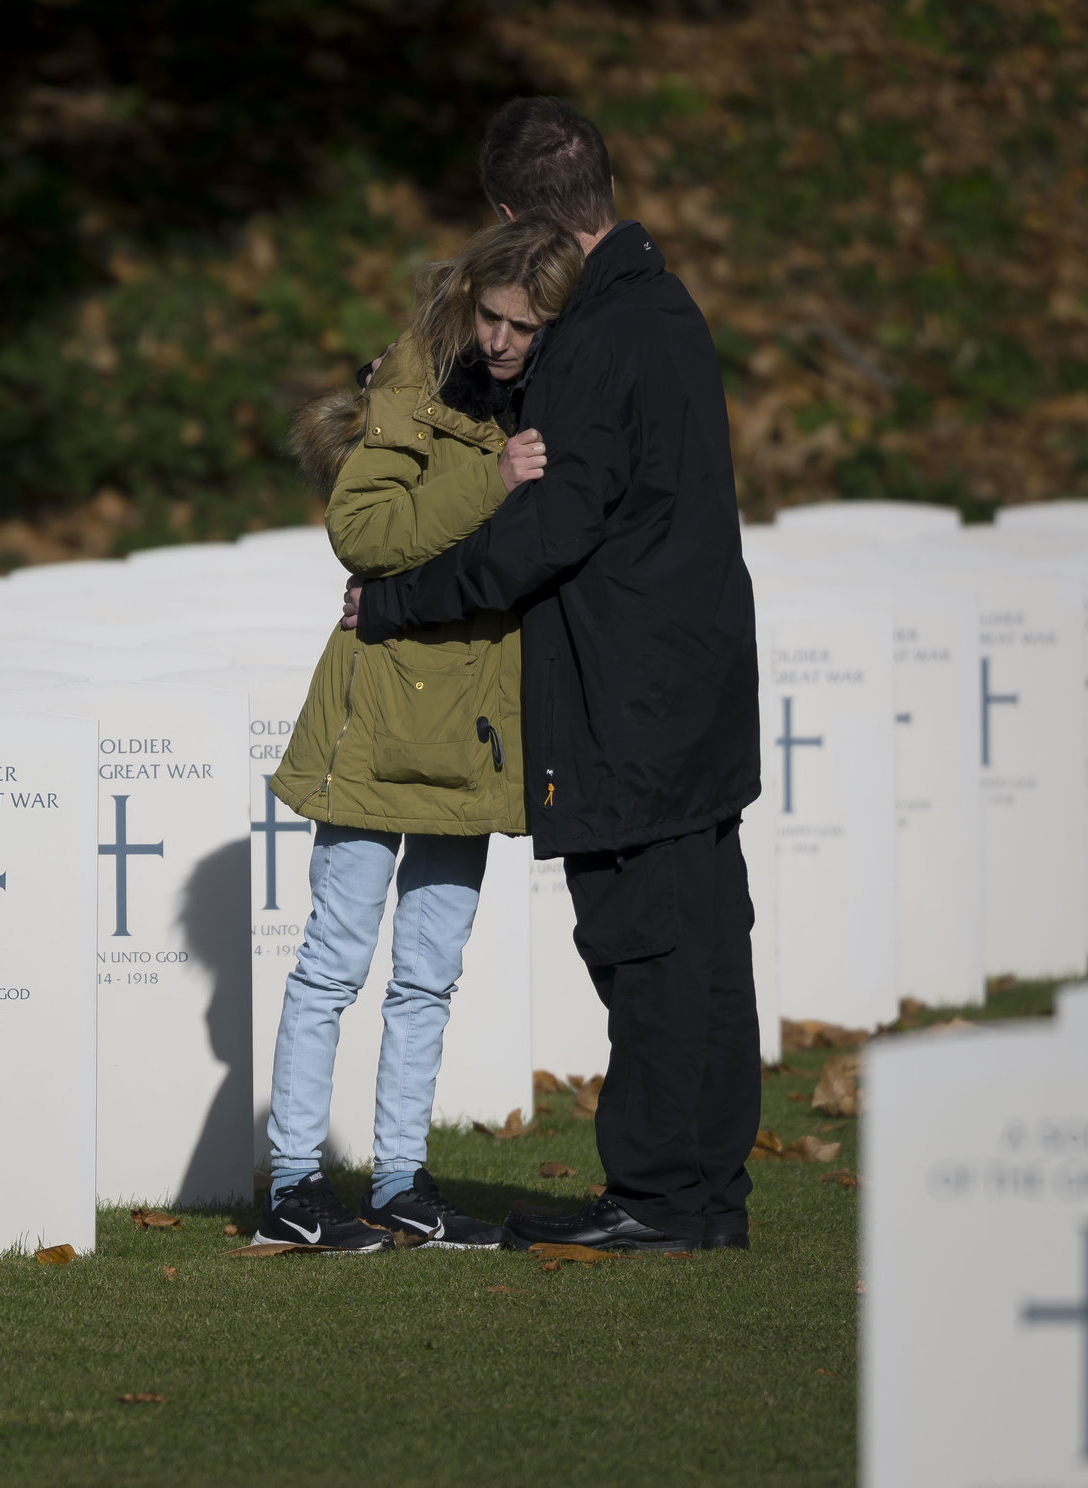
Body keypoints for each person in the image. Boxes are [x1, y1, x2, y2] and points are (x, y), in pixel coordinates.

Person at [350, 96, 761, 1254]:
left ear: (507, 217)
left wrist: (397, 599)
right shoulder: (660, 305)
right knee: (702, 947)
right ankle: (699, 1193)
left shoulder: (597, 338)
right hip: (691, 684)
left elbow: (550, 530)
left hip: (625, 698)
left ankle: (661, 1197)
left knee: (647, 951)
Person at [248, 216, 578, 1253]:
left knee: (430, 969)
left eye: (526, 326)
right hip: (380, 702)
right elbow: (363, 532)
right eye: (490, 316)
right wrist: (492, 477)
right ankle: (293, 1184)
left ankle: (400, 1180)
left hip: (473, 719)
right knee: (332, 961)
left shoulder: (559, 392)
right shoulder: (414, 381)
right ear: (465, 298)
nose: (502, 342)